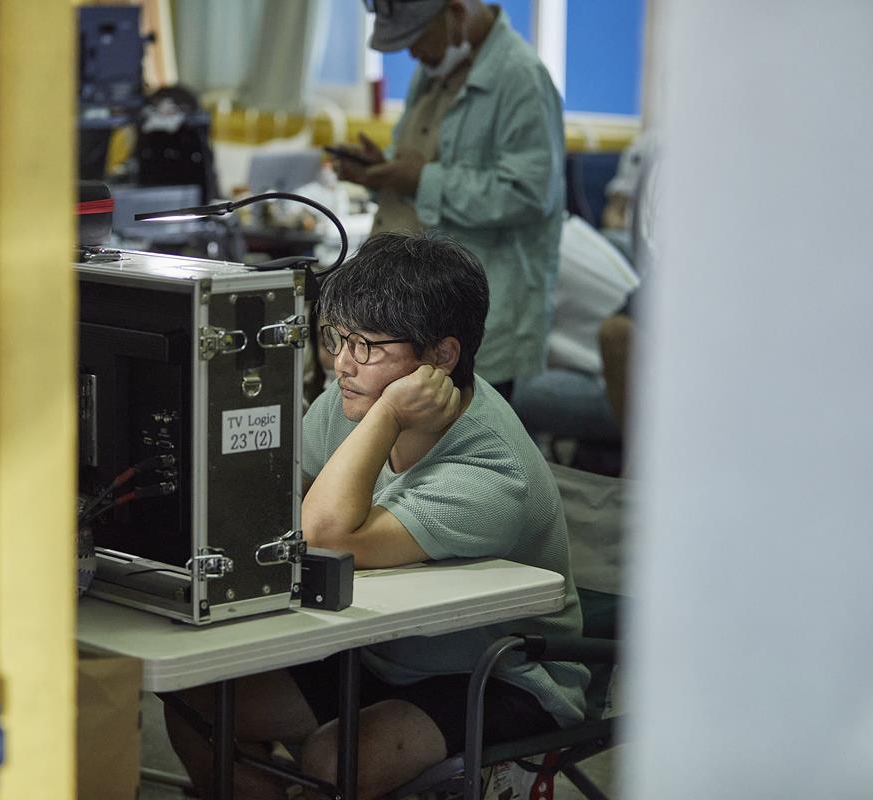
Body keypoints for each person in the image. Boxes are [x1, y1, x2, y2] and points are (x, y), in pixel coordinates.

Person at [163, 233, 588, 799]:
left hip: (498, 674)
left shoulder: (494, 470)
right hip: (385, 652)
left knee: (335, 759)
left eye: (366, 347)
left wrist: (386, 413)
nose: (341, 364)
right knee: (196, 701)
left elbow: (321, 535)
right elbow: (272, 501)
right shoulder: (345, 405)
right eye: (336, 338)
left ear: (441, 357)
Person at [331, 0, 566, 398]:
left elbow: (529, 193)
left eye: (418, 39)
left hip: (477, 310)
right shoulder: (432, 72)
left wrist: (421, 179)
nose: (413, 54)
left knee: (461, 439)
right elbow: (423, 172)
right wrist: (379, 173)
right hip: (410, 309)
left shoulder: (521, 78)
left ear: (455, 13)